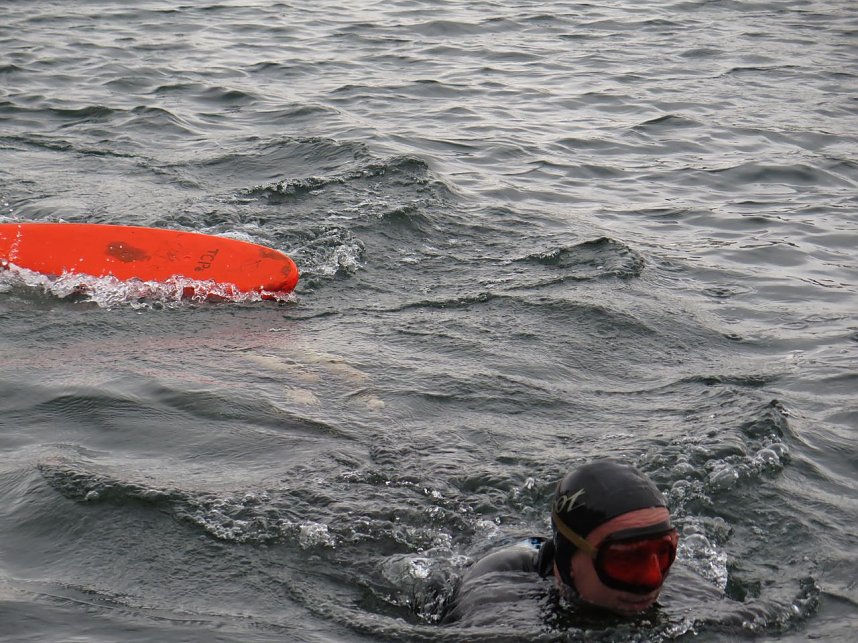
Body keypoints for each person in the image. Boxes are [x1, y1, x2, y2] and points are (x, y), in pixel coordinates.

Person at [442, 460, 679, 623]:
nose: (652, 580)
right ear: (568, 561)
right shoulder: (495, 599)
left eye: (663, 552)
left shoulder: (688, 589)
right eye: (625, 559)